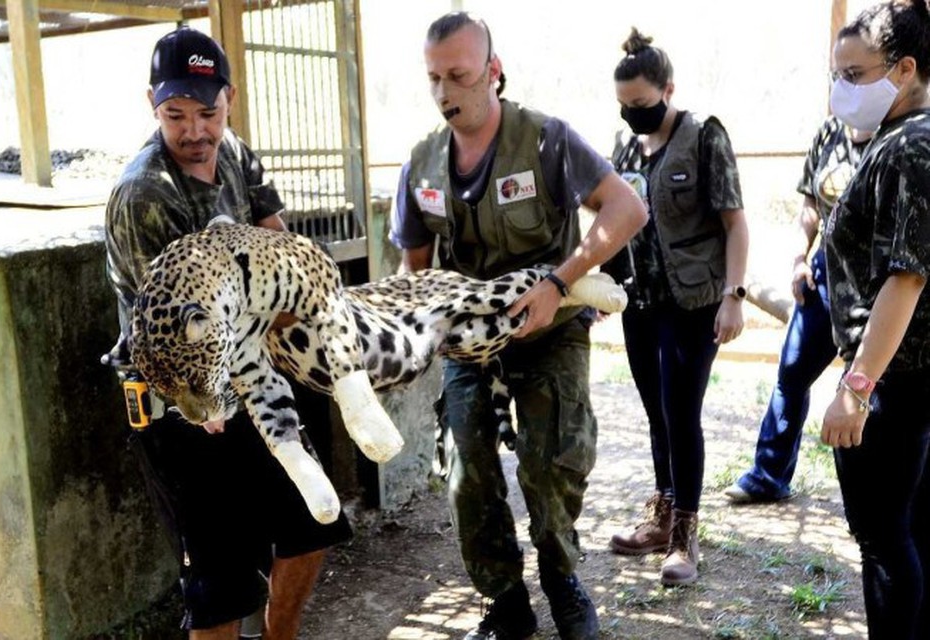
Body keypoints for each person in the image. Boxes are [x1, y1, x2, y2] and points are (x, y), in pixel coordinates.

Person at [389, 12, 647, 640]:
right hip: (470, 343)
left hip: (549, 329)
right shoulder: (422, 163)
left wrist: (559, 282)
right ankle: (505, 601)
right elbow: (412, 267)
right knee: (467, 476)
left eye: (459, 76)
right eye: (434, 80)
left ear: (493, 73)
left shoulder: (545, 140)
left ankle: (562, 579)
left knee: (549, 463)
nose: (446, 93)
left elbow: (627, 208)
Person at [104, 27, 351, 639]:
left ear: (229, 101)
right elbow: (171, 340)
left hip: (255, 378)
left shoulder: (236, 154)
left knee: (311, 521)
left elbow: (278, 242)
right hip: (183, 400)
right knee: (221, 588)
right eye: (175, 114)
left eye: (206, 113)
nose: (194, 132)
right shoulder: (143, 196)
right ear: (152, 106)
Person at [602, 28, 749, 587]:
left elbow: (735, 224)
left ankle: (686, 531)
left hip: (695, 302)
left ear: (667, 88)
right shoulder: (624, 147)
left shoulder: (703, 136)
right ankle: (663, 513)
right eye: (623, 106)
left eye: (640, 104)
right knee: (655, 411)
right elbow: (616, 225)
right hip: (641, 302)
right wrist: (602, 289)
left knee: (681, 412)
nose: (631, 114)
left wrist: (733, 298)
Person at [821, 2, 930, 637]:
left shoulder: (910, 147)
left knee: (884, 539)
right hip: (909, 372)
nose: (843, 90)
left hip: (896, 377)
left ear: (906, 69)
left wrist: (856, 389)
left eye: (855, 75)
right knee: (911, 529)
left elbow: (907, 277)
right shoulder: (897, 140)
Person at [725, 117, 870, 504]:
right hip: (823, 276)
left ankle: (878, 497)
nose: (846, 85)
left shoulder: (901, 134)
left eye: (854, 74)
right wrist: (799, 258)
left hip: (879, 285)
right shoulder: (831, 132)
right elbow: (809, 204)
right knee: (791, 374)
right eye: (841, 75)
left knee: (878, 388)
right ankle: (768, 475)